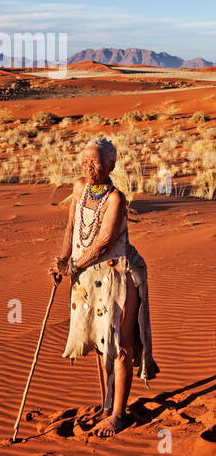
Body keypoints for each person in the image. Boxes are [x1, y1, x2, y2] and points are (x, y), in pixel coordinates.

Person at [49, 138, 158, 436]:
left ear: (110, 165)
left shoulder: (116, 199)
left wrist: (71, 266)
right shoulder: (78, 188)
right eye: (85, 160)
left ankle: (119, 415)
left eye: (96, 162)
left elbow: (103, 244)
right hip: (86, 278)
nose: (89, 166)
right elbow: (72, 228)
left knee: (120, 346)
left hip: (118, 277)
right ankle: (107, 404)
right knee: (100, 345)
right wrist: (60, 259)